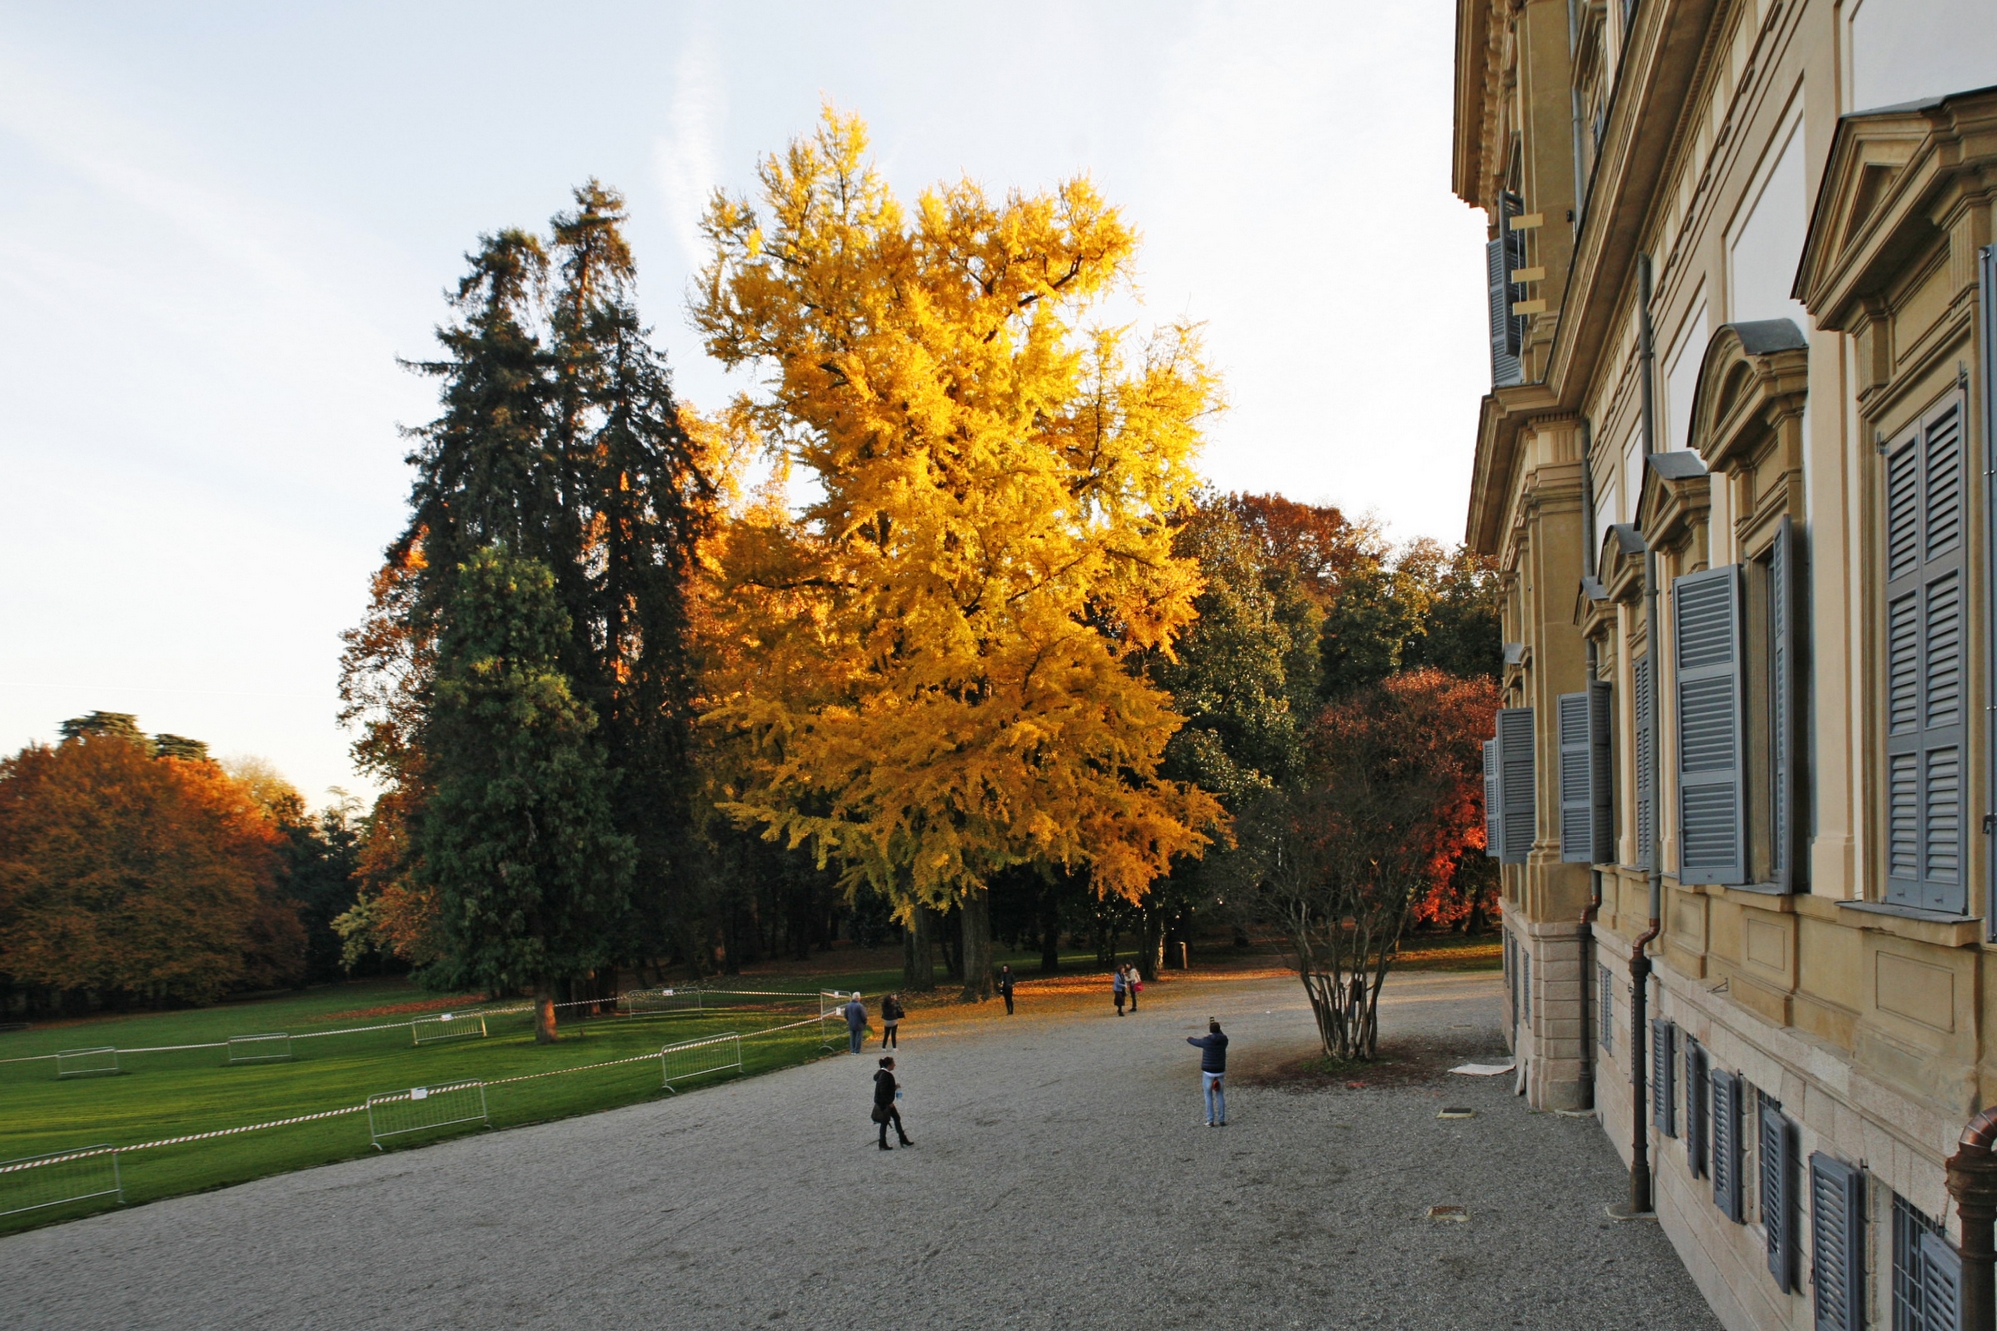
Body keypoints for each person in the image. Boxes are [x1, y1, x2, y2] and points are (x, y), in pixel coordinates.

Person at [1187, 1018, 1229, 1126]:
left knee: (1208, 1095)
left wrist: (1189, 1038)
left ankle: (1210, 1120)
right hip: (1220, 1070)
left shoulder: (1206, 1041)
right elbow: (1220, 1035)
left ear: (1210, 1030)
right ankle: (1221, 1119)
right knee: (1220, 1095)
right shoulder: (1224, 1040)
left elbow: (1195, 1042)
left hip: (1208, 1071)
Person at [872, 1056, 912, 1149]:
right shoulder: (886, 1075)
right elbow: (883, 1090)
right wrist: (889, 1102)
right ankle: (895, 1140)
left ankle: (890, 1141)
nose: (895, 1065)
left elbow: (884, 1087)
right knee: (888, 1121)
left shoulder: (881, 1073)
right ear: (889, 1065)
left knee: (890, 1120)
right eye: (893, 1063)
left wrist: (894, 1087)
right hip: (885, 1103)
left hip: (883, 1102)